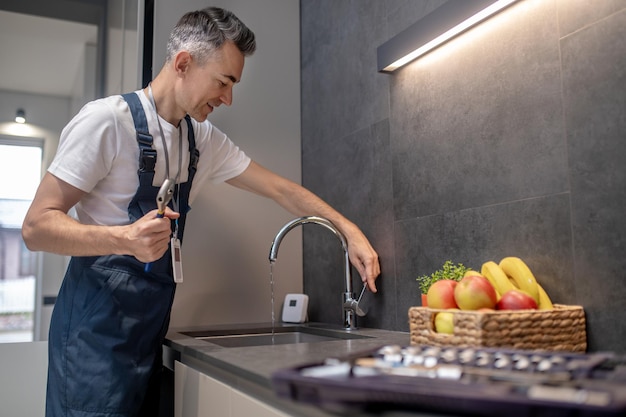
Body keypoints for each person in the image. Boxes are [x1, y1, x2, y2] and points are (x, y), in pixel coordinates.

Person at [22, 6, 380, 417]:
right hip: (91, 341)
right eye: (224, 81)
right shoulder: (106, 122)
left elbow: (280, 189)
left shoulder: (201, 140)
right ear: (183, 63)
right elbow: (36, 226)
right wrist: (122, 239)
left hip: (146, 342)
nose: (228, 98)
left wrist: (348, 229)